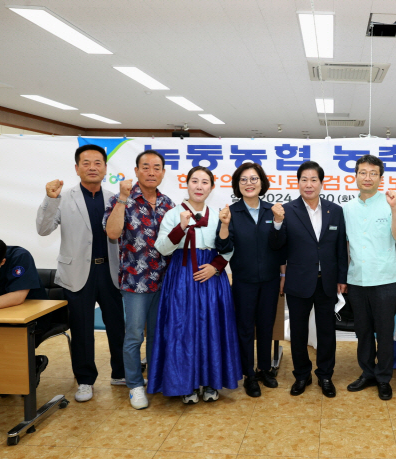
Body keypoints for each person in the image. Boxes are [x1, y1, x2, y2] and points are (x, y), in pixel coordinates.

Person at [36, 144, 125, 403]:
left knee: (117, 326)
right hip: (77, 273)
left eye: (98, 163)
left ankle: (120, 372)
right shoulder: (63, 198)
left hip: (110, 272)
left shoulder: (114, 199)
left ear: (106, 168)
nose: (92, 167)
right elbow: (43, 230)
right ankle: (85, 380)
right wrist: (50, 199)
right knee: (82, 329)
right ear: (77, 168)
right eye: (86, 163)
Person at [148, 166, 241, 404]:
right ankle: (185, 383)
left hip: (210, 276)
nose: (199, 186)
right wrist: (180, 227)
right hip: (181, 277)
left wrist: (215, 266)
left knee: (212, 328)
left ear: (212, 187)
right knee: (182, 329)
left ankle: (211, 382)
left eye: (205, 182)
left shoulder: (220, 215)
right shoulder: (173, 214)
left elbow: (228, 248)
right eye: (195, 181)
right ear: (186, 184)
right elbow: (162, 248)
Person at [268, 161, 348, 398]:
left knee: (326, 331)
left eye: (314, 179)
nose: (309, 184)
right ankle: (301, 375)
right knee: (299, 332)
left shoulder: (336, 210)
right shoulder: (286, 210)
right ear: (298, 182)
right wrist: (277, 222)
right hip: (298, 281)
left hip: (327, 281)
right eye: (304, 179)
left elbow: (341, 248)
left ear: (322, 183)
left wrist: (342, 277)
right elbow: (276, 246)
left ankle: (325, 375)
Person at [104, 150, 175, 410]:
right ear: (136, 171)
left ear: (163, 173)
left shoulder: (168, 203)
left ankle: (155, 379)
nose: (151, 172)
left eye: (157, 167)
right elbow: (112, 233)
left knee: (158, 335)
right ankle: (134, 385)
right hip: (135, 281)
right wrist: (123, 199)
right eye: (145, 167)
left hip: (165, 281)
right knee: (134, 335)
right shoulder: (121, 199)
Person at [343, 154, 396, 401]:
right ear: (355, 176)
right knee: (363, 331)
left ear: (381, 178)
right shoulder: (347, 208)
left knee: (384, 331)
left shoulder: (392, 202)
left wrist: (394, 208)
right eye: (363, 172)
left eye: (373, 173)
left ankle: (383, 378)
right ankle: (367, 373)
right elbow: (346, 245)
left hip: (385, 278)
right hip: (357, 279)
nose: (367, 177)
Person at [215, 162, 285, 398]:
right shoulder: (231, 212)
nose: (249, 183)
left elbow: (279, 246)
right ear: (237, 185)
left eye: (253, 179)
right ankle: (249, 375)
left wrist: (278, 222)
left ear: (262, 182)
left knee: (266, 326)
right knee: (245, 328)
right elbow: (223, 247)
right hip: (244, 281)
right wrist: (224, 226)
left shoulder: (272, 210)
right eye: (243, 179)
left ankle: (264, 369)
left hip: (270, 280)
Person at [0, 235, 51, 386]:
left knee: (5, 340)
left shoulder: (19, 257)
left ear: (2, 262)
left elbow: (17, 297)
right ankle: (4, 376)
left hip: (32, 320)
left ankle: (28, 367)